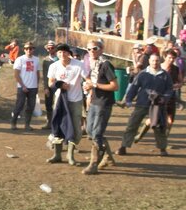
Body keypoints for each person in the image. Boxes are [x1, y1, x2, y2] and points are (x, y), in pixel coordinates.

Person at [118, 53, 172, 156]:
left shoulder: (165, 75)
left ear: (159, 61)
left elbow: (169, 89)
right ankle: (123, 146)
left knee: (159, 127)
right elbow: (134, 87)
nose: (155, 63)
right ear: (149, 61)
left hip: (158, 105)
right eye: (153, 60)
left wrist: (164, 98)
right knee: (132, 125)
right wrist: (129, 99)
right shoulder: (142, 74)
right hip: (142, 103)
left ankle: (162, 149)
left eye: (157, 61)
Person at [81, 40, 119, 175]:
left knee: (96, 133)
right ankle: (108, 157)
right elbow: (92, 83)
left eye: (94, 48)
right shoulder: (94, 65)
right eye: (89, 49)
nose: (91, 51)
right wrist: (89, 91)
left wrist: (95, 86)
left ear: (101, 49)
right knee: (90, 131)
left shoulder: (105, 65)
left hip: (104, 103)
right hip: (95, 101)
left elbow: (115, 86)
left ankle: (94, 164)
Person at [46, 44, 86, 165]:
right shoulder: (54, 66)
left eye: (64, 52)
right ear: (57, 54)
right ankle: (57, 155)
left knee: (74, 128)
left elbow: (87, 78)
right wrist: (60, 84)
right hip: (59, 100)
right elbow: (50, 83)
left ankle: (70, 155)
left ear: (69, 53)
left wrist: (90, 86)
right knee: (58, 124)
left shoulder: (78, 65)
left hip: (75, 100)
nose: (62, 55)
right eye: (59, 52)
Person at [10, 41, 39, 131]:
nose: (29, 50)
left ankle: (27, 124)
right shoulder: (20, 59)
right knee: (19, 105)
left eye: (30, 48)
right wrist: (23, 86)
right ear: (24, 50)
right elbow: (16, 74)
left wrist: (37, 86)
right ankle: (13, 123)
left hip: (33, 87)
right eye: (27, 48)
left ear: (33, 49)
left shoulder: (36, 59)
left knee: (31, 106)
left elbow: (38, 74)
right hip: (22, 86)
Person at [41, 40, 58, 130]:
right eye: (49, 48)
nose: (50, 49)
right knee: (48, 104)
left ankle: (58, 123)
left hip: (58, 84)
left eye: (52, 48)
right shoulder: (46, 61)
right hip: (49, 84)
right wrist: (45, 88)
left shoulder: (59, 59)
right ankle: (49, 122)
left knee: (58, 103)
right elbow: (44, 75)